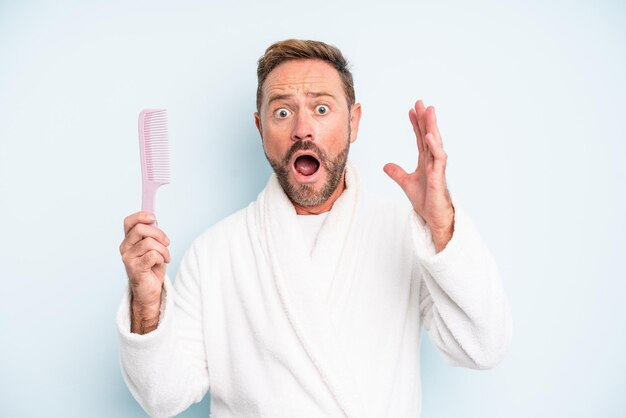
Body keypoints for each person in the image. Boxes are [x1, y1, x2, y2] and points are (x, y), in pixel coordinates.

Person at [117, 39, 513, 418]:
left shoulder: (402, 233)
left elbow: (482, 347)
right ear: (260, 129)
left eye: (322, 110)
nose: (302, 129)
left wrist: (442, 225)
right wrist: (146, 305)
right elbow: (163, 397)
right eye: (283, 113)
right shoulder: (216, 253)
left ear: (354, 122)